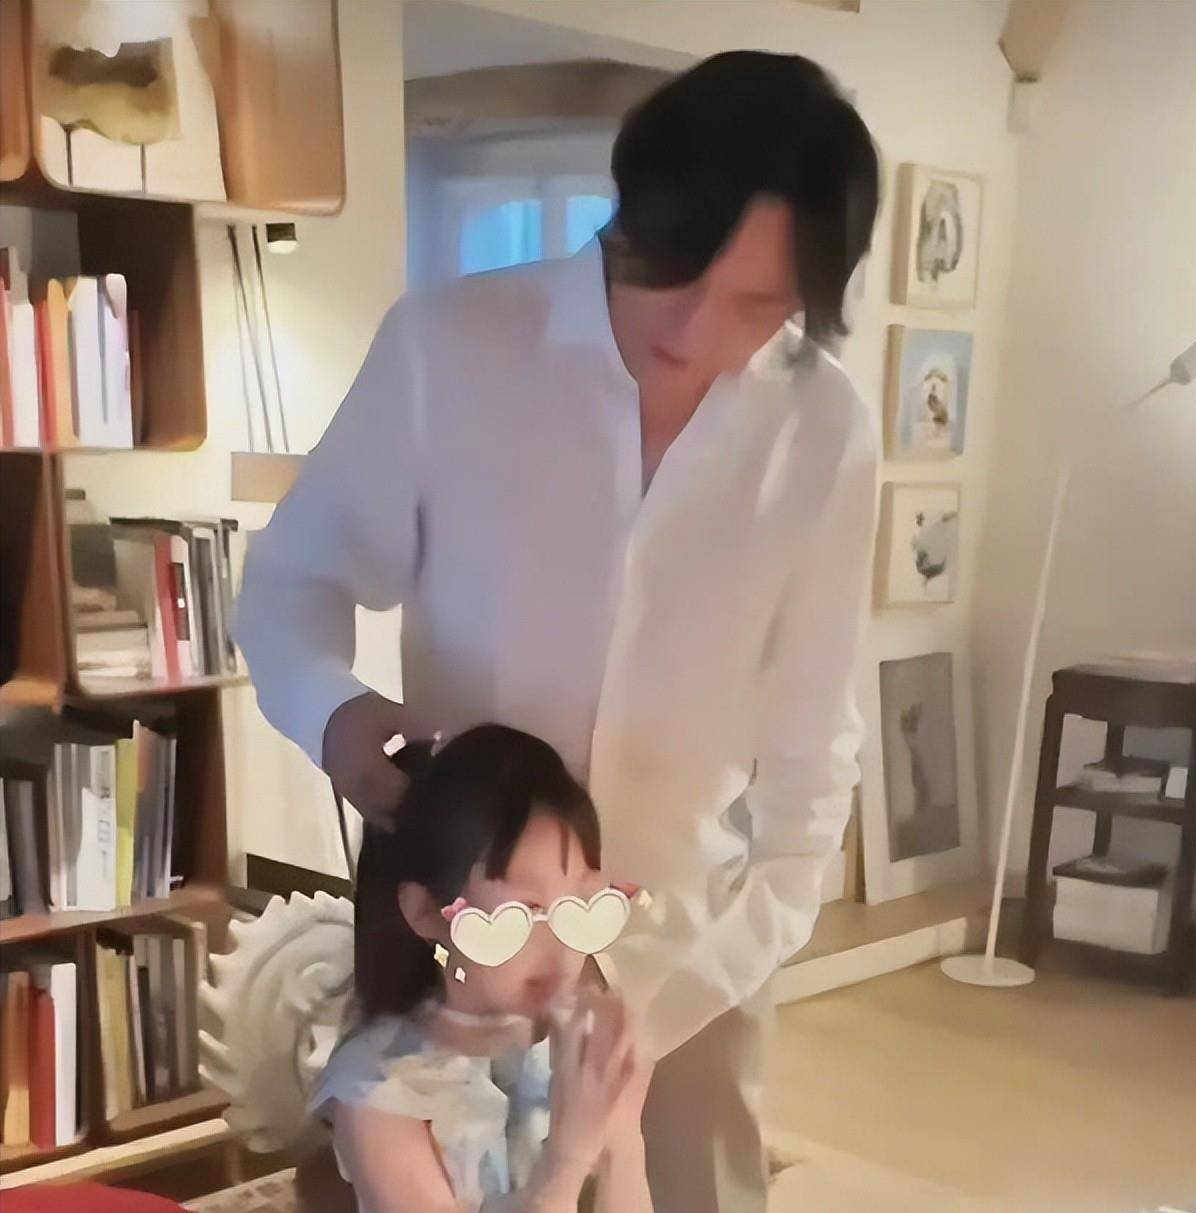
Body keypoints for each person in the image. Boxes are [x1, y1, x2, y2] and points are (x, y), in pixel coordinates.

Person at [236, 49, 881, 1213]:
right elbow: (291, 582)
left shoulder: (823, 431)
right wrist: (333, 715)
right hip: (458, 950)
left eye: (757, 306)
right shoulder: (450, 349)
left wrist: (686, 992)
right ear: (626, 217)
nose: (695, 331)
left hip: (684, 955)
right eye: (673, 273)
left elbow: (813, 746)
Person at [309, 724, 653, 1213]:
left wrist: (620, 1138)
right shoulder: (378, 1091)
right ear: (427, 911)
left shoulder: (573, 1046)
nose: (558, 947)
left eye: (578, 905)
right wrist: (567, 1158)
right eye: (524, 911)